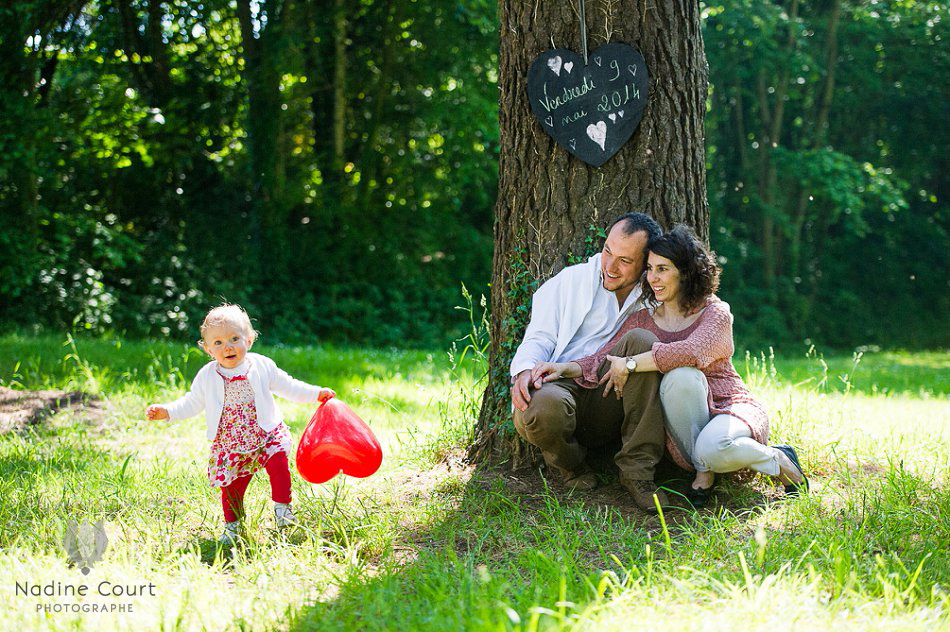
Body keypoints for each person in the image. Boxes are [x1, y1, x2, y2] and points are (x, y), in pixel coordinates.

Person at [537, 225, 808, 508]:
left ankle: (776, 459)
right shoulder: (643, 319)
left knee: (684, 378)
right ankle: (706, 465)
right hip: (685, 423)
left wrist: (631, 363)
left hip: (728, 407)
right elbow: (603, 358)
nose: (653, 278)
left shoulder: (714, 313)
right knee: (686, 404)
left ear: (686, 271)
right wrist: (566, 368)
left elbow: (691, 352)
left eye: (663, 269)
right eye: (650, 269)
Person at [510, 212, 672, 512]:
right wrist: (523, 371)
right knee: (540, 409)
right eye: (608, 251)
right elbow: (540, 336)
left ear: (645, 263)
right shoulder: (569, 282)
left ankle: (637, 473)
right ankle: (572, 467)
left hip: (614, 394)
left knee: (643, 342)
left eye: (624, 260)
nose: (610, 266)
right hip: (563, 386)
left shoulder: (657, 295)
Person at [146, 304, 335, 544]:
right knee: (232, 487)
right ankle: (232, 526)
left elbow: (289, 386)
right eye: (218, 343)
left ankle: (283, 510)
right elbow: (192, 402)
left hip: (265, 433)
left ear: (249, 339)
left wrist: (316, 393)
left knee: (278, 463)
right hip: (232, 441)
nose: (227, 346)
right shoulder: (207, 375)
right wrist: (168, 411)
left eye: (235, 338)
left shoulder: (262, 366)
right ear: (207, 349)